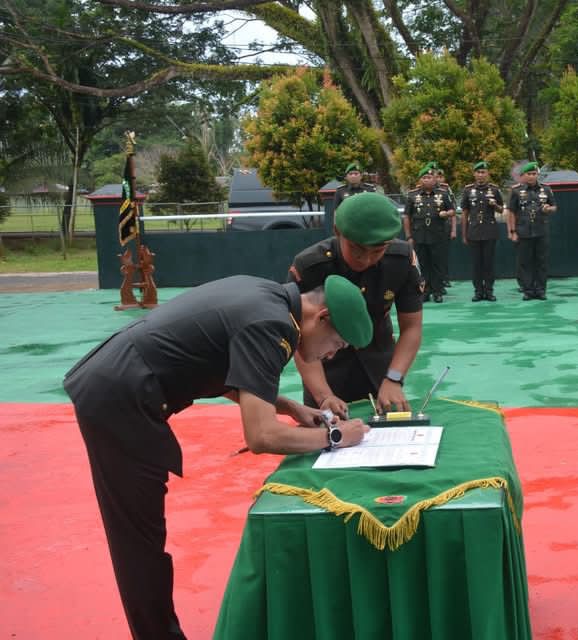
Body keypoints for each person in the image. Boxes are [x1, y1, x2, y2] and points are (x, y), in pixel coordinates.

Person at [64, 274, 374, 640]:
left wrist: (289, 406)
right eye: (336, 343)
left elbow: (219, 365)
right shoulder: (271, 324)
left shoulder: (268, 296)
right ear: (321, 317)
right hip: (119, 396)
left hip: (121, 377)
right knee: (139, 540)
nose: (331, 354)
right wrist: (336, 436)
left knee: (141, 537)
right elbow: (261, 436)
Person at [289, 192, 423, 417]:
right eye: (358, 250)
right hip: (324, 370)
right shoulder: (311, 266)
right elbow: (299, 339)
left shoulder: (401, 260)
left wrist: (394, 378)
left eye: (378, 251)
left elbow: (412, 327)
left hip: (380, 369)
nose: (367, 259)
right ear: (337, 232)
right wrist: (324, 396)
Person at [403, 165, 455, 302]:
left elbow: (453, 211)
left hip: (438, 235)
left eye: (429, 177)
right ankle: (425, 292)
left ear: (434, 179)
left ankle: (437, 292)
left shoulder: (443, 194)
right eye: (424, 177)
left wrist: (446, 213)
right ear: (420, 180)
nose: (427, 180)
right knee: (422, 265)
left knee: (437, 264)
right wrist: (408, 236)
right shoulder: (412, 195)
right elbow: (407, 216)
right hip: (419, 235)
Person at [506, 161, 557, 300]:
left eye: (534, 174)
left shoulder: (546, 189)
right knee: (525, 262)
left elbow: (554, 207)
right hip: (523, 231)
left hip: (541, 231)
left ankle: (540, 290)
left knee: (541, 261)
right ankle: (528, 290)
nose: (532, 176)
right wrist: (512, 231)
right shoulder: (517, 190)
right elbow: (511, 212)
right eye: (529, 174)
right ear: (524, 175)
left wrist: (548, 208)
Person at [460, 160, 504, 301]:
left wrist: (495, 204)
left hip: (489, 231)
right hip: (473, 231)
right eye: (478, 172)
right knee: (476, 264)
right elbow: (465, 213)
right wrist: (464, 234)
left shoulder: (494, 189)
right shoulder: (467, 190)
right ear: (474, 174)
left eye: (483, 172)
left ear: (488, 174)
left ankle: (489, 291)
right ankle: (478, 291)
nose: (481, 175)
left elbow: (502, 209)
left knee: (488, 263)